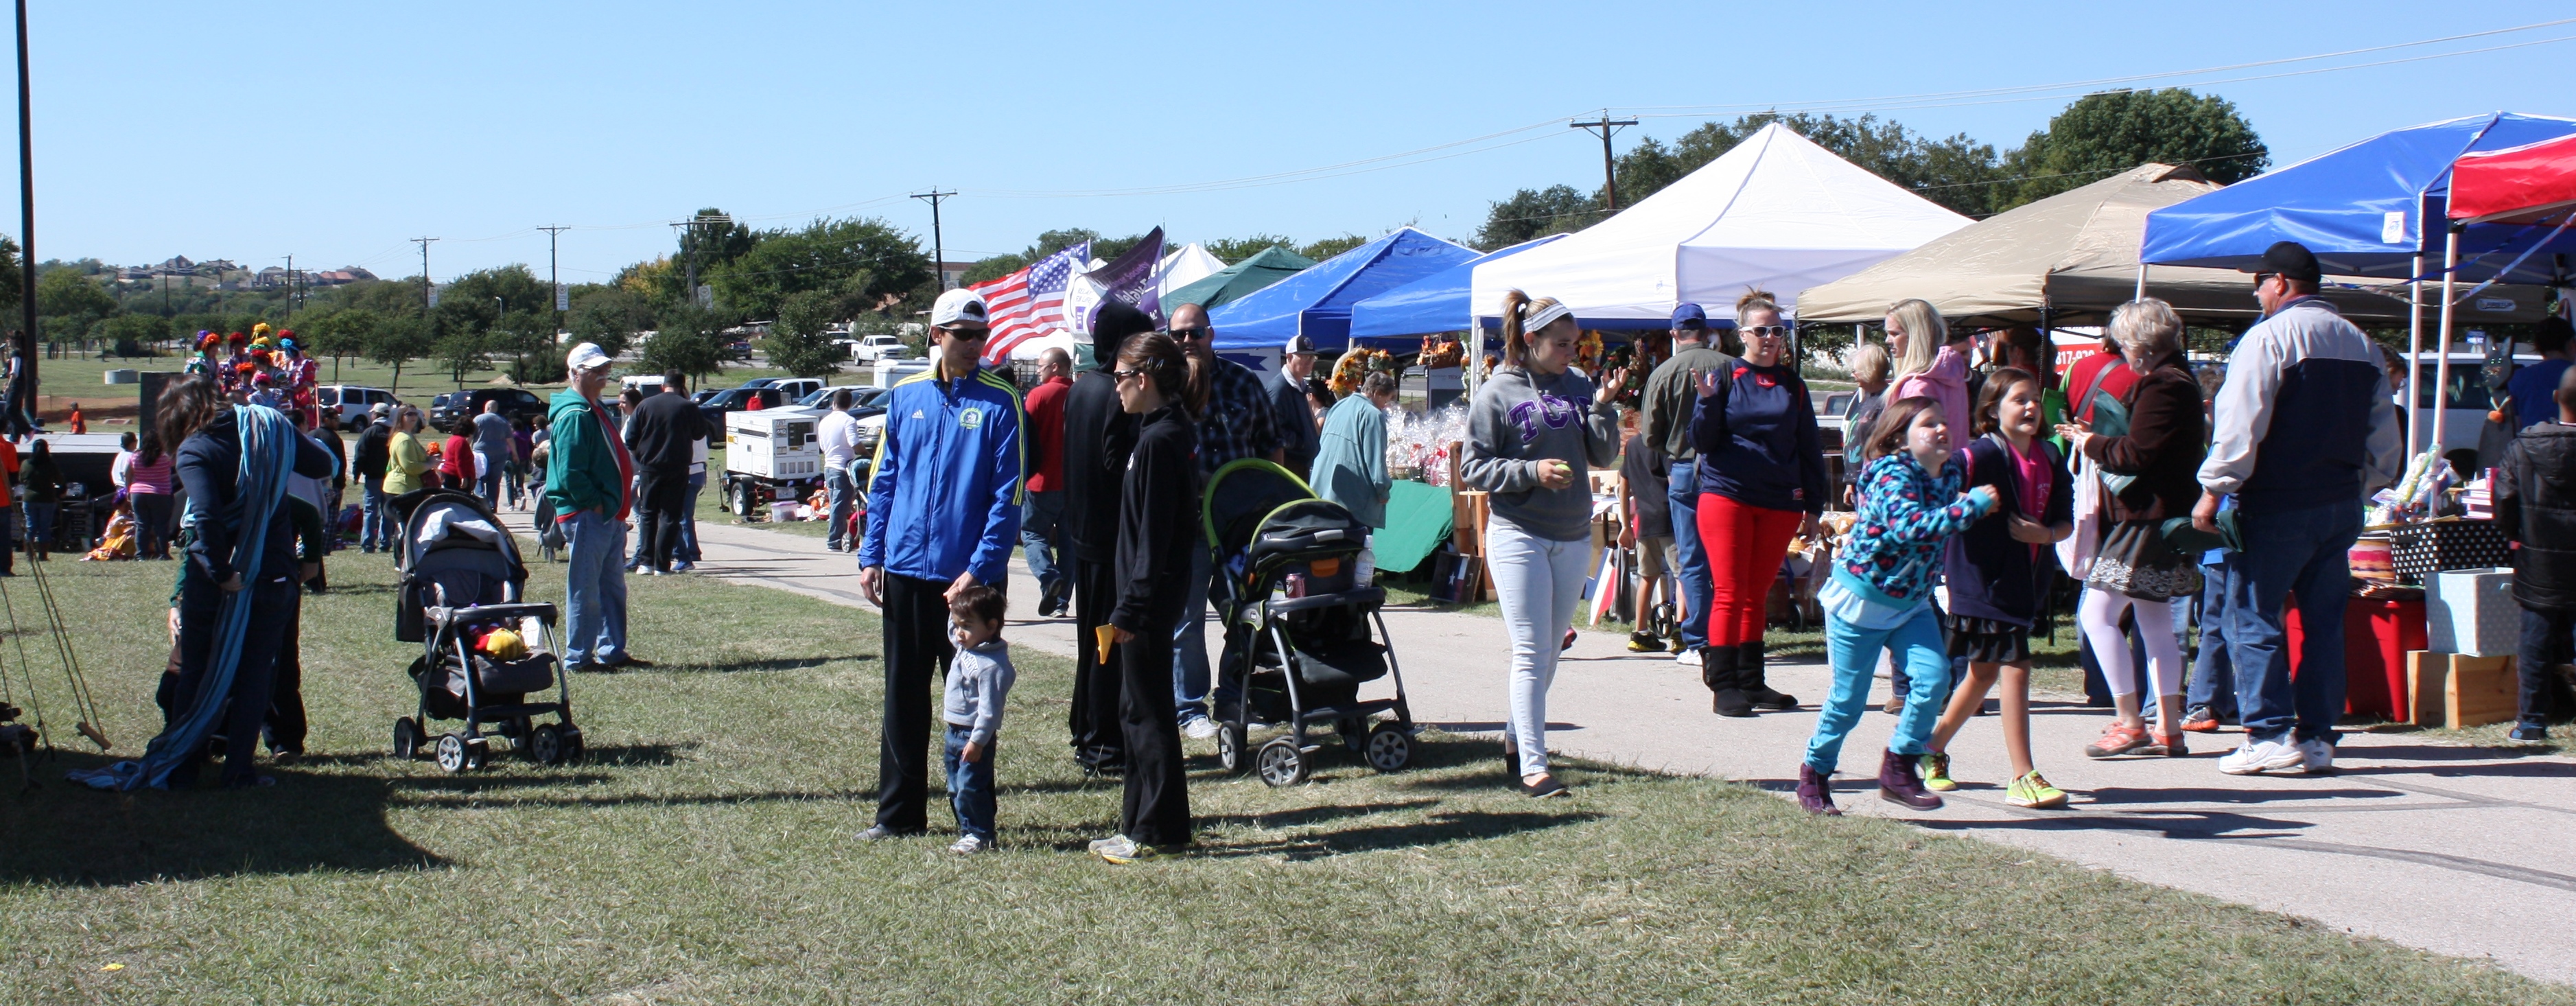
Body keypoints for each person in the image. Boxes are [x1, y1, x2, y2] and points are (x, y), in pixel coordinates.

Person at [2193, 242, 2402, 777]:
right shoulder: (2363, 344)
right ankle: (2316, 737)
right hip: (2339, 503)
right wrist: (2362, 487)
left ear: (2281, 283)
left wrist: (2215, 488)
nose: (2257, 294)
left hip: (2276, 501)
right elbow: (2385, 438)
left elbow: (2242, 419)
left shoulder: (2269, 337)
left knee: (2254, 615)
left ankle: (2266, 734)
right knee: (2325, 622)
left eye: (2259, 283)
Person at [854, 288, 1023, 843]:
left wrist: (979, 570)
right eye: (963, 335)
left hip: (968, 584)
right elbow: (884, 481)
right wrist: (872, 554)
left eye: (982, 335)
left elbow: (1008, 496)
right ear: (936, 336)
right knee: (903, 695)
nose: (976, 344)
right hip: (905, 571)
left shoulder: (1002, 401)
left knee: (970, 704)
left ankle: (974, 823)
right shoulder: (904, 397)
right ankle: (897, 815)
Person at [1795, 397, 1998, 815]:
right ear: (1899, 438)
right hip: (1861, 603)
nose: (1941, 429)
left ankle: (1899, 767)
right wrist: (1970, 506)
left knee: (1934, 678)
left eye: (1944, 421)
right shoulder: (1892, 473)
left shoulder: (1951, 471)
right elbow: (1909, 528)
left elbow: (1989, 455)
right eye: (1928, 424)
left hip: (1910, 604)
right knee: (1848, 703)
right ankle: (1814, 774)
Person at [1460, 290, 1621, 799]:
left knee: (1552, 650)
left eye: (1575, 343)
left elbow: (1604, 454)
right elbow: (1473, 467)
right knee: (1531, 651)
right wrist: (1530, 471)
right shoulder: (1497, 392)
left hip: (1573, 531)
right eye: (1561, 344)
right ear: (1530, 340)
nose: (1571, 352)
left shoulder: (1578, 385)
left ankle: (1515, 739)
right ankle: (1534, 766)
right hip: (1518, 532)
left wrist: (1601, 408)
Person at [163, 377, 336, 788]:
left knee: (195, 669)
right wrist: (284, 433)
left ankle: (185, 764)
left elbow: (204, 516)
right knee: (257, 673)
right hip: (273, 569)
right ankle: (239, 769)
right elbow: (323, 465)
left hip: (216, 576)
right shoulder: (269, 428)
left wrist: (224, 574)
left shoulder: (196, 448)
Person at [2059, 299, 2209, 761]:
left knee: (2097, 616)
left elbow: (2136, 453)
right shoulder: (2181, 381)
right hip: (2166, 519)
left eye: (2124, 343)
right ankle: (2167, 726)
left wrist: (2091, 442)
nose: (2121, 350)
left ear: (2141, 344)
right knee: (2156, 622)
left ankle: (2130, 722)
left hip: (2146, 519)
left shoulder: (2163, 385)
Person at [1920, 368, 2073, 808]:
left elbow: (2064, 517)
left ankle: (1929, 748)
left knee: (1983, 672)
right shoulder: (1979, 456)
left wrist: (2045, 536)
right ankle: (2023, 775)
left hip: (2023, 581)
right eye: (2017, 399)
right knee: (2016, 665)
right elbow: (1938, 486)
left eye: (2033, 400)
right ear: (1992, 410)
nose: (2029, 407)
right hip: (1980, 579)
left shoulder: (2050, 455)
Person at [1091, 329, 1208, 863]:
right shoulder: (1158, 431)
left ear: (1142, 379)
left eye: (1119, 378)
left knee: (1147, 712)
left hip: (1147, 601)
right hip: (1146, 598)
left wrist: (1131, 607)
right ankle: (1139, 824)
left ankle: (1159, 829)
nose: (1114, 389)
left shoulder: (1161, 441)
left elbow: (1155, 537)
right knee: (1136, 707)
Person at [1689, 292, 1826, 717]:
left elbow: (1809, 450)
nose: (1770, 338)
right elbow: (1701, 441)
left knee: (1757, 593)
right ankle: (1724, 685)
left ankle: (1752, 681)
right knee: (1730, 591)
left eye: (1777, 331)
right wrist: (1708, 403)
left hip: (1780, 501)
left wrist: (1814, 508)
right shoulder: (1724, 377)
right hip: (1726, 495)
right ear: (1742, 334)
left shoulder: (1793, 385)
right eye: (1761, 330)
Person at [1164, 301, 1285, 738]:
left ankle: (1234, 698)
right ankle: (1189, 709)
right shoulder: (1165, 387)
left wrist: (1269, 499)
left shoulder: (1243, 381)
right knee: (1187, 619)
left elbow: (1272, 444)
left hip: (1240, 528)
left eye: (1195, 333)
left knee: (1245, 614)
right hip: (1189, 526)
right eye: (1179, 335)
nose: (1187, 342)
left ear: (1212, 334)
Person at [1062, 303, 1152, 774]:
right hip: (1110, 537)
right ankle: (1101, 743)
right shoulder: (1114, 394)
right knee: (1107, 642)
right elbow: (1117, 464)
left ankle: (1086, 728)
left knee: (1091, 640)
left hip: (1084, 535)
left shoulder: (1081, 388)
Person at [544, 343, 647, 673]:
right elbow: (571, 472)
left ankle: (612, 650)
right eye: (593, 370)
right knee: (586, 589)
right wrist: (598, 504)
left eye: (605, 368)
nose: (603, 375)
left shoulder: (592, 407)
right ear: (574, 373)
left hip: (608, 515)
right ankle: (579, 657)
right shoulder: (575, 414)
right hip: (589, 514)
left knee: (612, 587)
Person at [1640, 303, 1733, 666]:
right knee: (1728, 557)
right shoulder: (1730, 367)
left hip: (1683, 469)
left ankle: (1700, 640)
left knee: (1692, 558)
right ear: (1708, 331)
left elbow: (1650, 435)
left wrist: (1676, 445)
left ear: (1675, 334)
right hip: (1728, 470)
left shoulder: (1663, 372)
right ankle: (1732, 634)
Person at [2491, 364, 2576, 742]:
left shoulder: (2523, 446)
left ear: (2557, 399)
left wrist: (2519, 536)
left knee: (2535, 638)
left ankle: (2531, 722)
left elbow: (2504, 502)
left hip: (2538, 557)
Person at [940, 583, 1016, 855]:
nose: (959, 633)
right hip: (953, 732)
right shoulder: (967, 646)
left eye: (967, 626)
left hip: (973, 736)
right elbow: (954, 630)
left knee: (971, 786)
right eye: (959, 625)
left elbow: (990, 711)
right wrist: (954, 608)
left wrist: (978, 741)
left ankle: (981, 835)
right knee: (955, 786)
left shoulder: (992, 667)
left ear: (992, 626)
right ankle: (967, 831)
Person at [622, 372, 707, 576]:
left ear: (663, 386)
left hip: (650, 467)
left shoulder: (645, 406)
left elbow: (630, 439)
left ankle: (646, 563)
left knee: (648, 513)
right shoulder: (688, 407)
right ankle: (662, 565)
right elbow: (699, 433)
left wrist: (642, 454)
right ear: (682, 386)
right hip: (677, 467)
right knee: (670, 516)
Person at [1019, 347, 1074, 616]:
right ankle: (1061, 601)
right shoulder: (1079, 393)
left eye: (1041, 366)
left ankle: (1049, 577)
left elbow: (1025, 438)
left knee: (1032, 534)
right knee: (1068, 543)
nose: (1038, 371)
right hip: (1074, 484)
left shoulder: (1038, 395)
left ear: (1055, 367)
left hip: (1041, 481)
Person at [1617, 406, 1676, 653]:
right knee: (1683, 576)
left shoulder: (1632, 446)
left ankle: (1640, 632)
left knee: (1647, 577)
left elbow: (1623, 486)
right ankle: (1682, 632)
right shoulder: (1666, 445)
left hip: (1644, 520)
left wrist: (1625, 525)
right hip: (1671, 518)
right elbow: (1675, 482)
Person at [1312, 370, 1395, 530]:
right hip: (1351, 501)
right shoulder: (1373, 415)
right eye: (1387, 399)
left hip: (1322, 490)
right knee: (1355, 552)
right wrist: (1383, 491)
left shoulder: (1339, 406)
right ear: (1377, 393)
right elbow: (1375, 460)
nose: (1386, 405)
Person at [1885, 299, 1971, 451]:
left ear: (1916, 336)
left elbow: (1914, 448)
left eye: (1894, 334)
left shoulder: (1917, 387)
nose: (1887, 340)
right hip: (1954, 469)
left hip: (1921, 472)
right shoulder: (1954, 374)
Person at [2506, 316, 2574, 432]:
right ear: (2572, 343)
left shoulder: (2519, 378)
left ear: (2538, 346)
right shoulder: (2573, 376)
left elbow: (2514, 423)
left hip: (2532, 446)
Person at [1270, 334, 1324, 479]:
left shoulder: (1300, 386)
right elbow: (1273, 430)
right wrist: (1301, 444)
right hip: (1289, 465)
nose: (1309, 362)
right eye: (1303, 356)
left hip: (1301, 464)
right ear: (1289, 357)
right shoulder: (1280, 389)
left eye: (1312, 357)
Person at [817, 388, 860, 553]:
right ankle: (834, 540)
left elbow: (822, 446)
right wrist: (867, 454)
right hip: (842, 467)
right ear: (850, 404)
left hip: (828, 466)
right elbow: (854, 443)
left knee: (836, 503)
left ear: (833, 403)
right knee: (840, 506)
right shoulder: (848, 420)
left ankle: (838, 536)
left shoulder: (824, 421)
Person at [352, 403, 395, 552]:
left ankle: (368, 544)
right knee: (387, 511)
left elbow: (360, 454)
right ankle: (385, 542)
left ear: (376, 415)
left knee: (370, 511)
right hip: (391, 478)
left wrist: (356, 474)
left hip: (372, 478)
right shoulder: (394, 433)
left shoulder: (369, 432)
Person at [128, 430, 176, 560]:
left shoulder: (135, 456)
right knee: (161, 525)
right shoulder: (165, 457)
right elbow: (176, 461)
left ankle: (141, 554)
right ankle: (163, 553)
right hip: (161, 493)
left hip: (138, 493)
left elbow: (128, 474)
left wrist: (129, 490)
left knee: (141, 525)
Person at [19, 438, 62, 561]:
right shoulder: (51, 465)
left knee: (31, 526)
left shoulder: (26, 464)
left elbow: (21, 479)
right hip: (47, 499)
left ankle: (29, 554)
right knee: (44, 527)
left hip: (29, 499)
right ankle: (43, 555)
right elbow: (59, 480)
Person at [472, 399, 513, 513]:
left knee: (478, 476)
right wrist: (515, 454)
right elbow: (510, 440)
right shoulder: (503, 421)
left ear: (487, 408)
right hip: (500, 453)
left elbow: (470, 436)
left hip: (481, 451)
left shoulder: (478, 419)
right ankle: (492, 505)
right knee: (494, 481)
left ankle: (481, 497)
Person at [382, 406, 432, 499]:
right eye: (409, 414)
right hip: (402, 489)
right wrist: (430, 464)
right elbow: (410, 467)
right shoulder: (404, 439)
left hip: (408, 488)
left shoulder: (408, 436)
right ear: (401, 417)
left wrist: (429, 457)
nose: (413, 417)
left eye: (416, 414)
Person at [0, 434, 16, 576]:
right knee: (4, 536)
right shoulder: (8, 447)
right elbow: (14, 472)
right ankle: (4, 568)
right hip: (3, 500)